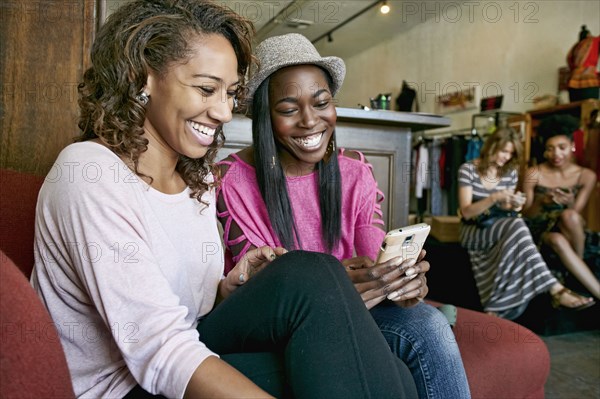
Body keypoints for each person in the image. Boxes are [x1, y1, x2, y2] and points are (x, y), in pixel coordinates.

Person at [30, 2, 419, 398]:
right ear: (143, 78)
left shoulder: (196, 176)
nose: (223, 111)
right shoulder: (89, 173)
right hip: (121, 385)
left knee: (385, 363)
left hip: (186, 347)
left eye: (230, 93)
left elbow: (185, 310)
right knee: (317, 283)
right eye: (205, 88)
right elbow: (159, 348)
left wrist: (231, 286)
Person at [217, 33, 470, 399]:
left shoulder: (354, 171)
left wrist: (401, 281)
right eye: (288, 109)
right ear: (263, 117)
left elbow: (373, 250)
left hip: (362, 314)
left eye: (321, 103)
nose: (310, 121)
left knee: (427, 322)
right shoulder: (233, 181)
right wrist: (332, 290)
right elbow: (265, 292)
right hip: (279, 325)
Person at [458, 127, 595, 319]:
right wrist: (495, 197)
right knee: (517, 227)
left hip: (501, 225)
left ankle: (500, 306)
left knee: (517, 224)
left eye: (510, 153)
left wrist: (514, 204)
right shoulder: (468, 170)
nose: (506, 157)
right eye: (503, 151)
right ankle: (555, 289)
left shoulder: (509, 173)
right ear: (491, 146)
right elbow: (466, 211)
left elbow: (507, 210)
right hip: (474, 230)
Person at [522, 115, 600, 300]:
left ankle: (576, 269)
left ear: (572, 146)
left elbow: (575, 212)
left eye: (562, 148)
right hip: (540, 229)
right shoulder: (534, 173)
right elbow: (526, 213)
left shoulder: (586, 175)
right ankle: (583, 278)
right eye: (550, 149)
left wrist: (569, 201)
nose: (556, 154)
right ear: (545, 152)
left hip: (570, 228)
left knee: (568, 218)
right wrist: (542, 202)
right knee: (556, 238)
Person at [566, 25, 600, 102]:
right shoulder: (594, 41)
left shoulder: (575, 47)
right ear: (589, 35)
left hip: (573, 82)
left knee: (575, 110)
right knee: (591, 109)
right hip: (589, 82)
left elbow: (569, 60)